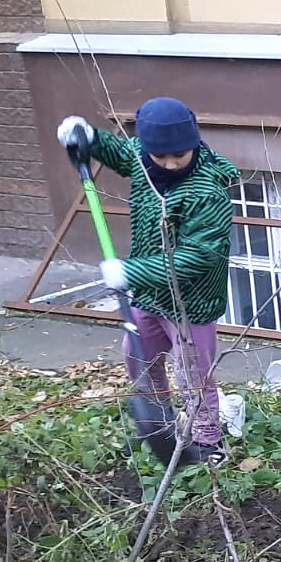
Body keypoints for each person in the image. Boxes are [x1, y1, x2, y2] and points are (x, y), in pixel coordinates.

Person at [56, 98, 241, 467]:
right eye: (162, 157)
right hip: (149, 296)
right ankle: (160, 426)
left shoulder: (208, 190)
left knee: (193, 373)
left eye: (179, 155)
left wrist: (132, 272)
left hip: (192, 302)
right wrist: (89, 138)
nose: (171, 164)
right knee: (138, 356)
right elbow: (123, 153)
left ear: (193, 144)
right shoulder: (144, 157)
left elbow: (199, 256)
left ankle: (207, 441)